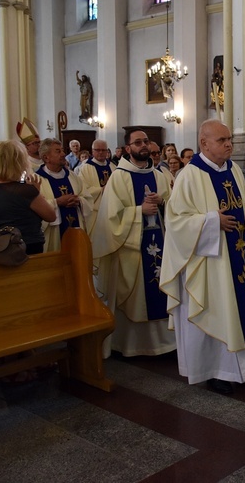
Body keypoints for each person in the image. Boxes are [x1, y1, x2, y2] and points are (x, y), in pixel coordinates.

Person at [160, 119, 245, 394]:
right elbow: (176, 221)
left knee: (242, 310)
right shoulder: (190, 175)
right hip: (210, 261)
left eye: (229, 140)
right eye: (222, 140)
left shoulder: (233, 169)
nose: (229, 145)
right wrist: (211, 222)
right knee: (218, 310)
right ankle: (218, 372)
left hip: (238, 254)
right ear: (204, 144)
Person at [92, 129, 175, 357]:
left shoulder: (159, 175)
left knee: (160, 289)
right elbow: (110, 218)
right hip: (132, 248)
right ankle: (132, 345)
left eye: (146, 141)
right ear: (128, 149)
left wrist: (162, 203)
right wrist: (139, 211)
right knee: (138, 294)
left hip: (160, 241)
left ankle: (166, 343)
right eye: (137, 142)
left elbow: (175, 206)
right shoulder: (119, 176)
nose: (143, 145)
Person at [0, 140, 56, 255]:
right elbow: (51, 216)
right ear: (18, 163)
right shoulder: (25, 191)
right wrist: (37, 192)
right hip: (27, 247)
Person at [36, 138, 93, 252]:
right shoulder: (37, 180)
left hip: (76, 230)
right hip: (53, 234)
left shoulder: (73, 177)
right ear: (46, 157)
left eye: (62, 150)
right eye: (58, 151)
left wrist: (79, 201)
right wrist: (57, 202)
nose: (63, 154)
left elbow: (87, 198)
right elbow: (34, 208)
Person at [75, 139, 116, 236]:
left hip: (112, 208)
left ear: (107, 151)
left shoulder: (113, 166)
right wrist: (101, 190)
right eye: (98, 150)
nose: (101, 152)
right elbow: (83, 190)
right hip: (95, 212)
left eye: (103, 150)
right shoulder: (85, 168)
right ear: (92, 151)